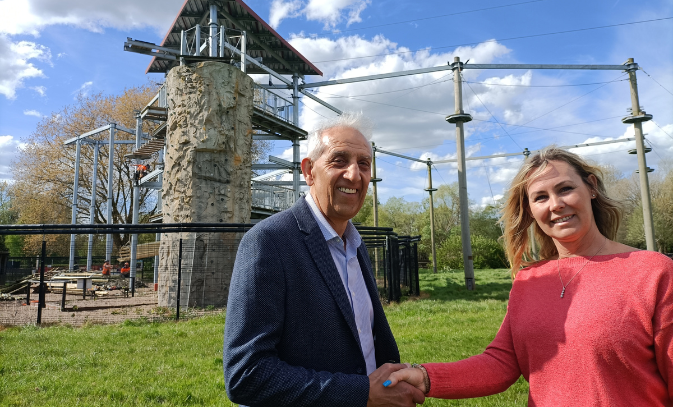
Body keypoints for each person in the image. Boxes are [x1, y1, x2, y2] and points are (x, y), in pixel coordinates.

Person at [385, 147, 673, 406]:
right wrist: (424, 376)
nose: (555, 204)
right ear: (531, 210)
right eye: (540, 197)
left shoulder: (653, 272)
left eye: (565, 189)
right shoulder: (529, 280)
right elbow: (501, 363)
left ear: (591, 187)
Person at [223, 113, 424, 407]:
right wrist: (361, 393)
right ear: (309, 171)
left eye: (364, 164)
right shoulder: (270, 241)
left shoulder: (356, 245)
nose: (354, 175)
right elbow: (247, 375)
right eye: (339, 160)